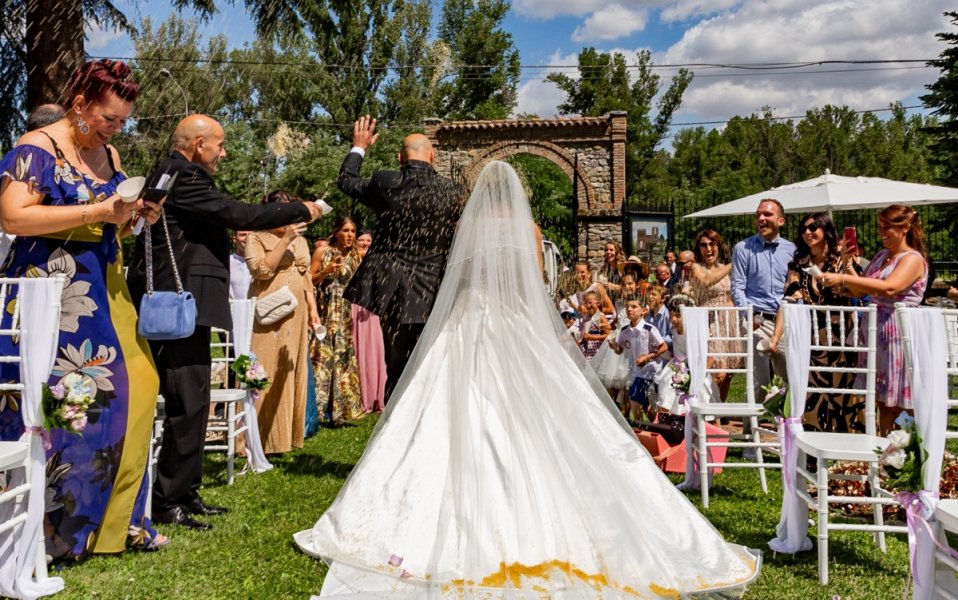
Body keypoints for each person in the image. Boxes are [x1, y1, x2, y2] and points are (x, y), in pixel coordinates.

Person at [294, 160, 759, 597]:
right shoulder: (529, 230)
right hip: (514, 322)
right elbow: (533, 285)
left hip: (468, 324)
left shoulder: (464, 228)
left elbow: (453, 280)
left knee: (443, 408)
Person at [0, 59, 167, 557]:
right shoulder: (37, 149)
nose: (116, 130)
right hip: (50, 295)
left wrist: (138, 219)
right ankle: (57, 532)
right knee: (71, 406)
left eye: (122, 122)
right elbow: (12, 215)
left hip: (106, 288)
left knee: (139, 390)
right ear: (79, 105)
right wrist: (98, 211)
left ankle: (115, 523)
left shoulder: (110, 153)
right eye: (109, 119)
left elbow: (111, 224)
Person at [127, 114, 322, 530]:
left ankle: (184, 490)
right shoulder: (184, 176)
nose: (224, 151)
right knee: (187, 401)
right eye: (219, 144)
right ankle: (167, 500)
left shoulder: (172, 173)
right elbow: (240, 214)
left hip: (185, 301)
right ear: (198, 144)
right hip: (181, 304)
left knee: (195, 400)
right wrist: (300, 208)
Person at [338, 116, 465, 402]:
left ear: (399, 158)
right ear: (432, 157)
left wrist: (359, 147)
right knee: (431, 366)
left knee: (396, 367)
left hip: (392, 291)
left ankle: (394, 424)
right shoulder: (452, 192)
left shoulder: (386, 182)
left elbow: (347, 182)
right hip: (435, 292)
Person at [820, 204, 928, 435]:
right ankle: (885, 456)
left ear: (905, 228)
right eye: (880, 227)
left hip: (899, 334)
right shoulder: (881, 256)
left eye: (887, 227)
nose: (882, 232)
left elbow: (890, 287)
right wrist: (847, 264)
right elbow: (862, 291)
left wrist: (841, 277)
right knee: (881, 402)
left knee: (900, 405)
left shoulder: (912, 259)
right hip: (875, 334)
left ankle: (906, 458)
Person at [768, 213, 865, 434]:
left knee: (845, 391)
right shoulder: (798, 265)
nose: (808, 232)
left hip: (842, 335)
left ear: (826, 229)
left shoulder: (841, 259)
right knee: (813, 393)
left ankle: (848, 451)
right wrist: (775, 336)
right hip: (811, 337)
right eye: (804, 229)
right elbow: (788, 301)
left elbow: (860, 291)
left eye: (814, 227)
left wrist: (847, 265)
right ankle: (812, 454)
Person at [245, 190, 320, 454]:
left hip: (296, 315)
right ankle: (256, 440)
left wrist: (313, 311)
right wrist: (284, 239)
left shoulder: (301, 240)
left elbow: (306, 276)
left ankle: (284, 438)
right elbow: (261, 270)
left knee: (289, 372)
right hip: (267, 312)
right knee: (263, 371)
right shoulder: (256, 236)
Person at [731, 198, 796, 411]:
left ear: (781, 220)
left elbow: (794, 288)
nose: (761, 218)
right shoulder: (743, 248)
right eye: (758, 214)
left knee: (791, 379)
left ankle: (787, 432)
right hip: (754, 320)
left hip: (783, 321)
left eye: (767, 214)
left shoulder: (792, 250)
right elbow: (737, 287)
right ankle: (752, 439)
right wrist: (749, 315)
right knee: (760, 382)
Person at [311, 216, 364, 423]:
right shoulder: (322, 252)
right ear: (336, 232)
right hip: (325, 309)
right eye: (345, 231)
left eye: (352, 231)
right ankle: (317, 409)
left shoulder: (355, 256)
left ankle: (342, 409)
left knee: (342, 356)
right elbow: (307, 280)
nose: (350, 235)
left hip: (344, 312)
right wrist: (325, 271)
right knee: (322, 356)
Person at [689, 229, 741, 403]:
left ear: (718, 246)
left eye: (712, 244)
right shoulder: (696, 267)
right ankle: (711, 410)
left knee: (728, 373)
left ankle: (720, 409)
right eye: (704, 245)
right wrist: (733, 264)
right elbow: (706, 281)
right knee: (717, 371)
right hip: (709, 321)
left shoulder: (725, 268)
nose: (708, 249)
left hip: (729, 320)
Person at [610, 298, 668, 424]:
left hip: (650, 372)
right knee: (639, 405)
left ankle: (646, 429)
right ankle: (646, 428)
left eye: (634, 306)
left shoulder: (649, 329)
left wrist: (647, 357)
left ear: (643, 310)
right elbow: (620, 350)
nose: (629, 309)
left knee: (643, 406)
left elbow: (664, 347)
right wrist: (615, 347)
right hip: (635, 373)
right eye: (627, 307)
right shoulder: (624, 331)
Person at [351, 230, 387, 414]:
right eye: (362, 240)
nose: (365, 243)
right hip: (354, 307)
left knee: (374, 349)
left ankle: (376, 395)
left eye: (368, 241)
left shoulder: (377, 260)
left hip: (372, 309)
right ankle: (358, 396)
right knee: (357, 348)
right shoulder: (350, 259)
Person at [229, 230, 252, 300]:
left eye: (251, 235)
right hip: (233, 309)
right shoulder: (227, 262)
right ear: (234, 239)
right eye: (243, 235)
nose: (247, 238)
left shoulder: (262, 262)